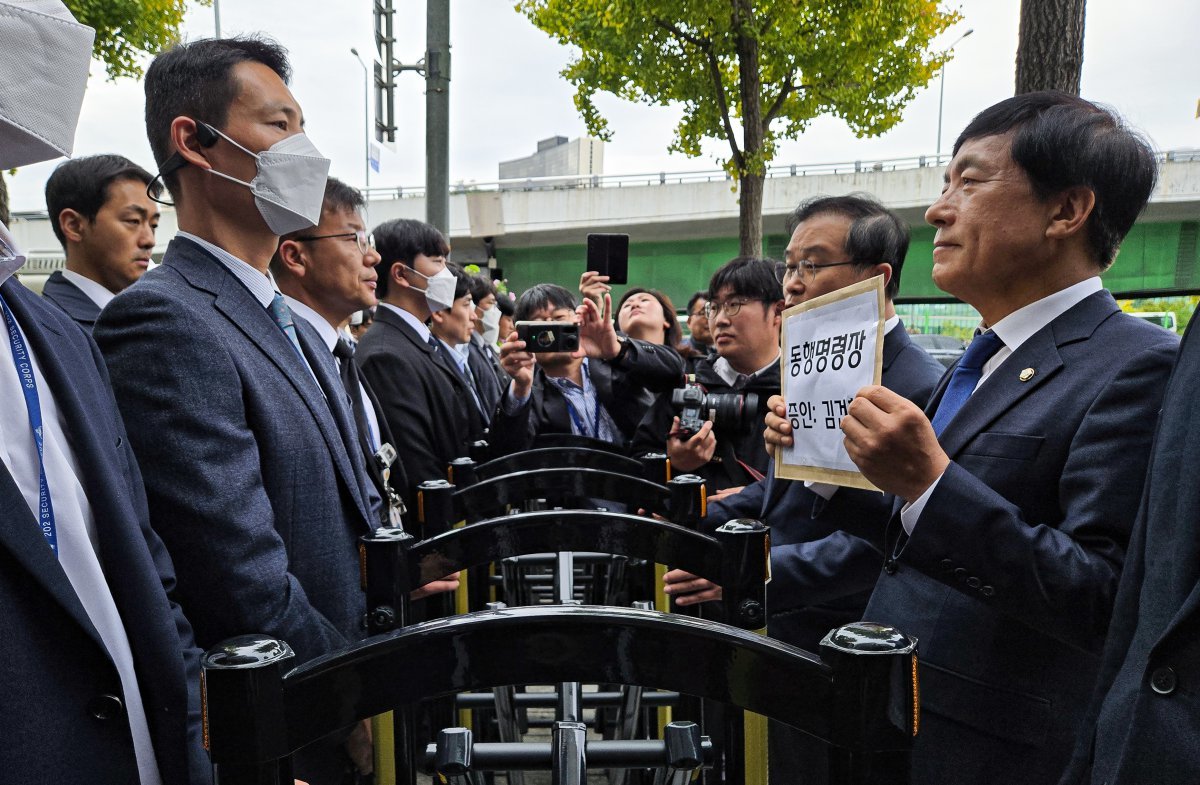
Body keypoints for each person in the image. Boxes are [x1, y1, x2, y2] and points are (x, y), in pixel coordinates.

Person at [764, 92, 1176, 785]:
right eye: (943, 184)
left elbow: (1101, 596)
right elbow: (917, 541)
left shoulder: (1135, 363)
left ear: (1066, 211)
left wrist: (929, 482)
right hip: (896, 718)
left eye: (971, 180)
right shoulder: (980, 358)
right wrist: (823, 463)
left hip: (993, 751)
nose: (937, 210)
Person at [93, 36, 378, 785]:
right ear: (194, 142)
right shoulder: (166, 320)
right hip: (292, 723)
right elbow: (239, 574)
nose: (304, 151)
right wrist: (352, 690)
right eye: (280, 125)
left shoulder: (285, 317)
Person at [662, 194, 946, 784]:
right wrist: (697, 517)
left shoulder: (917, 386)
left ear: (875, 275)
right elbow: (786, 496)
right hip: (779, 628)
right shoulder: (815, 365)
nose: (791, 285)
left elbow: (890, 541)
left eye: (811, 266)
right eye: (789, 266)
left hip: (842, 640)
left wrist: (751, 572)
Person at [0, 2, 206, 783]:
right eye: (133, 219)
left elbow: (144, 570)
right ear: (72, 224)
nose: (150, 236)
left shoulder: (53, 338)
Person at [270, 177, 407, 530]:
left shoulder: (341, 352)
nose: (372, 255)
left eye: (368, 239)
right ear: (295, 256)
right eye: (353, 239)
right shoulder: (280, 359)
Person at [631, 257, 783, 491]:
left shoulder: (797, 388)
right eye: (714, 307)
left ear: (777, 311)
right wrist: (675, 463)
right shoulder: (688, 386)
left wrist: (757, 498)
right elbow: (639, 466)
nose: (720, 320)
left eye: (734, 305)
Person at [356, 218, 476, 509]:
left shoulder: (417, 341)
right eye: (437, 262)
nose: (447, 274)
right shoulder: (385, 355)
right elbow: (416, 470)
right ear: (401, 274)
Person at [491, 283, 683, 454]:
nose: (551, 329)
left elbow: (674, 370)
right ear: (524, 336)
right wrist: (520, 387)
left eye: (559, 317)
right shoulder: (528, 393)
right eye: (540, 325)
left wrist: (617, 350)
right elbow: (507, 452)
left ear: (577, 319)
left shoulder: (613, 358)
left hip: (639, 483)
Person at [41, 154, 160, 331]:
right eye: (133, 221)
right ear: (73, 225)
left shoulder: (153, 313)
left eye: (153, 225)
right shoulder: (50, 329)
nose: (149, 240)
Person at [429, 264, 490, 434]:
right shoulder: (433, 364)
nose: (474, 316)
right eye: (466, 304)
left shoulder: (460, 358)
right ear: (439, 312)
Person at [465, 272, 506, 417]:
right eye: (490, 303)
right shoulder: (467, 351)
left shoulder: (486, 347)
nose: (495, 311)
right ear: (472, 306)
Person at [614, 287, 682, 347]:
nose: (635, 305)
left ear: (666, 319)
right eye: (627, 305)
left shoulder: (685, 360)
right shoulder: (606, 358)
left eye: (644, 300)